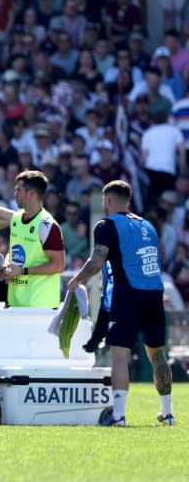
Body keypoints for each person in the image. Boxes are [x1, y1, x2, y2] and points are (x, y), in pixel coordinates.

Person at [68, 180, 175, 427]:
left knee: (119, 357)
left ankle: (118, 416)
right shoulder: (147, 225)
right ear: (128, 200)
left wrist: (76, 279)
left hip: (128, 293)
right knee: (157, 354)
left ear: (107, 200)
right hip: (153, 293)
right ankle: (167, 413)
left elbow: (97, 261)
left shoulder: (106, 225)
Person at [0, 171, 65, 308]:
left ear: (32, 194)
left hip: (40, 305)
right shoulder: (17, 218)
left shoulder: (47, 225)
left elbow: (58, 266)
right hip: (16, 303)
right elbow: (15, 253)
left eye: (18, 190)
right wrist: (6, 265)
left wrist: (23, 271)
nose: (14, 194)